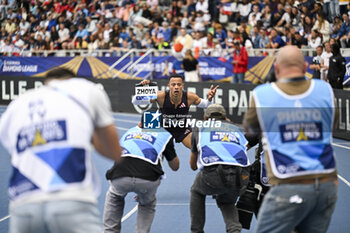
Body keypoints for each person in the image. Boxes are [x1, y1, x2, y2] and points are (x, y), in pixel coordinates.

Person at [0, 67, 122, 233]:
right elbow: (113, 152)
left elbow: (13, 151)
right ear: (73, 80)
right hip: (72, 198)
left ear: (45, 83)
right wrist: (86, 130)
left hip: (23, 204)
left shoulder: (16, 104)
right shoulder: (86, 89)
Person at [243, 45, 338, 233]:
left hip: (289, 184)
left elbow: (251, 128)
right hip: (327, 184)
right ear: (305, 66)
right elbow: (332, 126)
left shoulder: (263, 94)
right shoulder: (325, 90)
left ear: (277, 69)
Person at [103, 118, 179, 233]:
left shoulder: (129, 131)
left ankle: (109, 231)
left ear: (140, 123)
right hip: (147, 179)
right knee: (147, 204)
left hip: (120, 174)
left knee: (115, 197)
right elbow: (175, 166)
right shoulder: (165, 134)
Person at [189, 104, 251, 233]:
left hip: (214, 175)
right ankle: (235, 230)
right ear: (225, 118)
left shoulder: (200, 127)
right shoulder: (236, 129)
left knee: (196, 191)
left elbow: (193, 166)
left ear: (205, 118)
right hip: (242, 176)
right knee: (227, 202)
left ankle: (196, 230)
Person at [132, 74, 218, 149]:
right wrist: (141, 91)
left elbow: (206, 105)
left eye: (179, 84)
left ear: (182, 86)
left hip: (181, 128)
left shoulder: (189, 97)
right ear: (169, 86)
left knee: (197, 148)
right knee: (150, 148)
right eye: (173, 84)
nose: (176, 87)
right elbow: (135, 101)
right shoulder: (160, 96)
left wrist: (210, 99)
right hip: (163, 128)